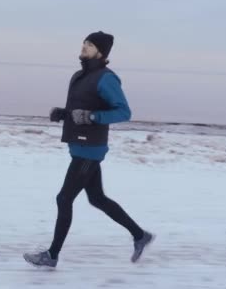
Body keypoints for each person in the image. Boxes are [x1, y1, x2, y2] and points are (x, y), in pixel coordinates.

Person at [23, 31, 154, 268]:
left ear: (100, 52)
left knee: (64, 198)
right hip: (79, 145)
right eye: (84, 42)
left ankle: (52, 256)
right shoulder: (80, 76)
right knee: (97, 198)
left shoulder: (107, 78)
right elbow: (81, 109)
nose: (84, 46)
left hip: (90, 149)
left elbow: (123, 112)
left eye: (90, 44)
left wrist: (92, 116)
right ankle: (140, 235)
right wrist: (63, 114)